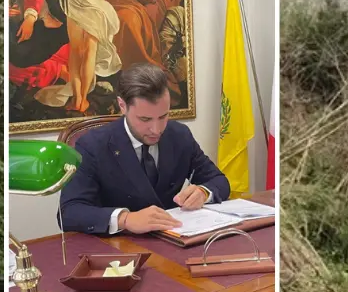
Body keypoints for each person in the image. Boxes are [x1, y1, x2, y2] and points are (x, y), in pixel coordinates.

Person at [59, 62, 230, 235]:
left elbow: (219, 180)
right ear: (122, 105)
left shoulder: (179, 135)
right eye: (145, 119)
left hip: (176, 240)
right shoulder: (92, 145)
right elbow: (69, 212)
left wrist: (203, 192)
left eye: (163, 116)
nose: (156, 129)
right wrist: (125, 219)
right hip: (121, 250)